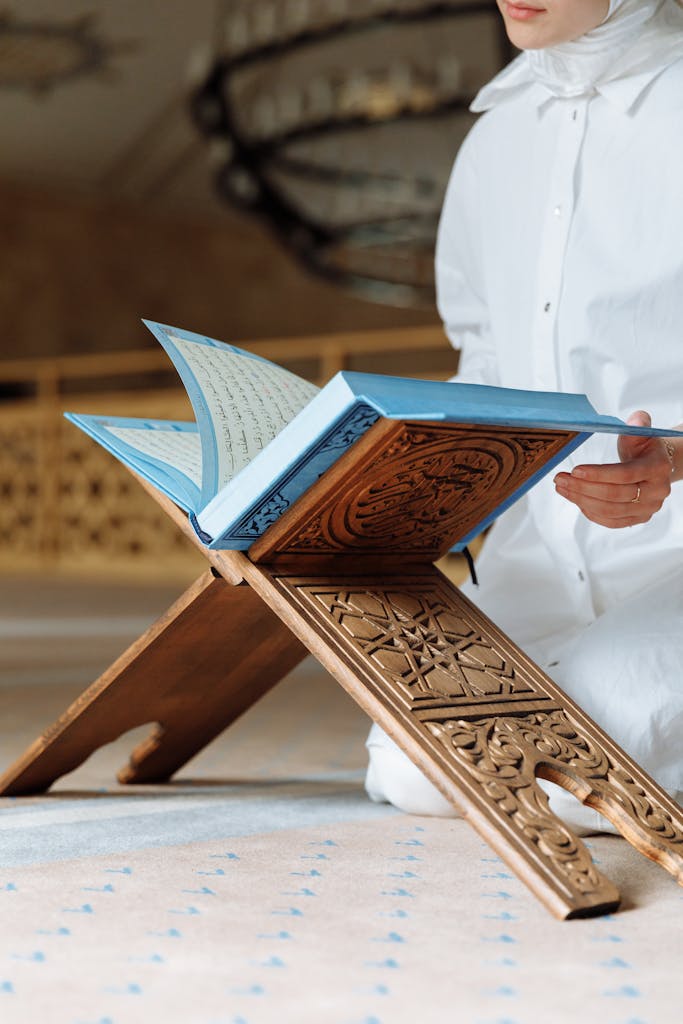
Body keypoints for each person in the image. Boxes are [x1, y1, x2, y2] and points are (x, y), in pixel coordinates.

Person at [365, 0, 683, 833]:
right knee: (409, 764)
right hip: (536, 556)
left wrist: (677, 465)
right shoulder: (493, 142)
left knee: (594, 738)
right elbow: (485, 362)